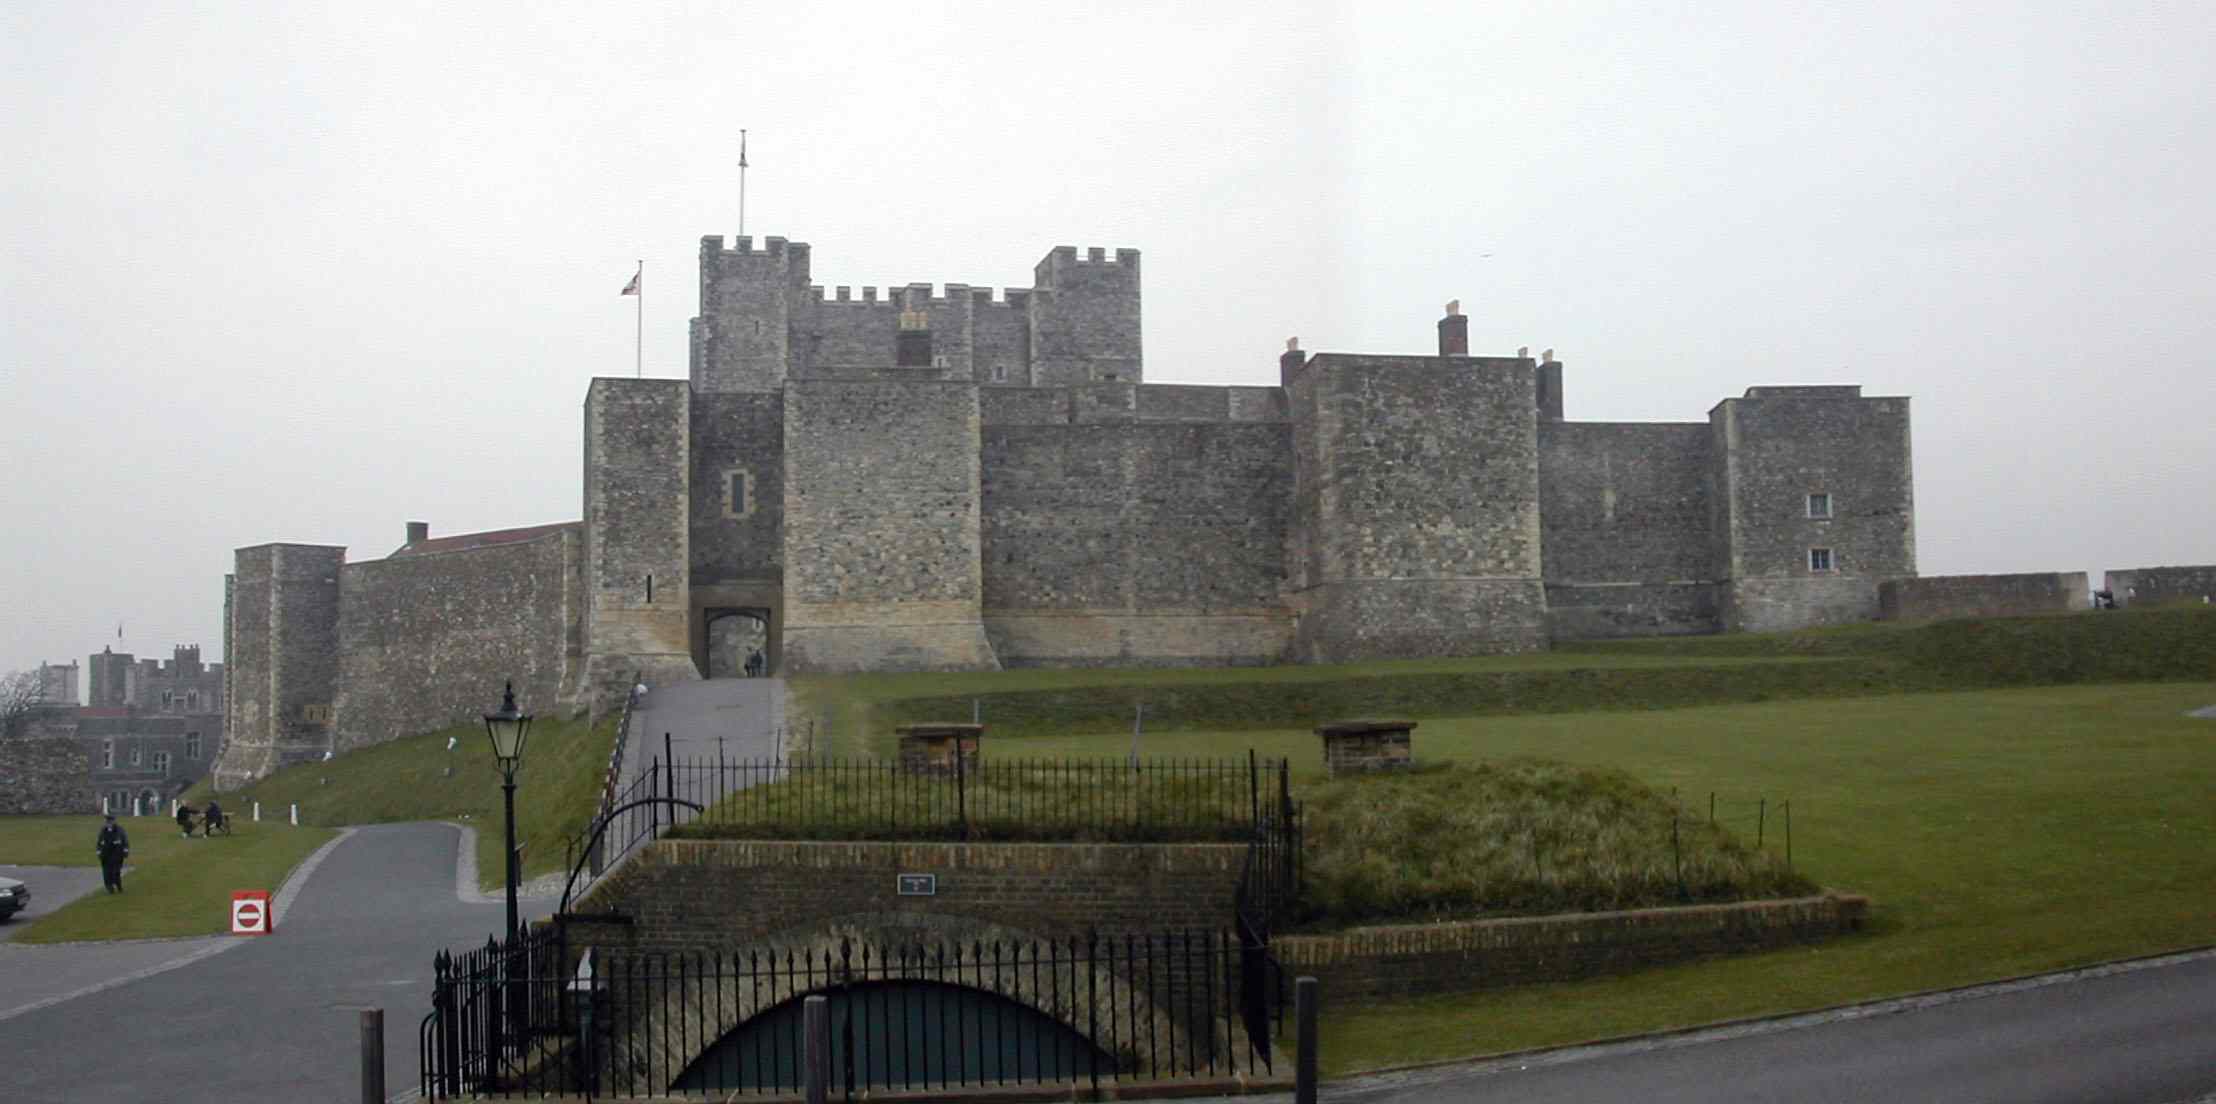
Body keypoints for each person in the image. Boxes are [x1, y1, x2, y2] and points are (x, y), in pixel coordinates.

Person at [96, 815, 130, 893]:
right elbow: (99, 843)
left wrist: (125, 851)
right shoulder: (103, 831)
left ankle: (118, 885)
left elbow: (125, 841)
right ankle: (109, 887)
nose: (108, 823)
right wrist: (99, 852)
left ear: (114, 821)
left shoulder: (120, 830)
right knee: (106, 873)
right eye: (107, 822)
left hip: (117, 855)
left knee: (116, 872)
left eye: (110, 822)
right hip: (106, 855)